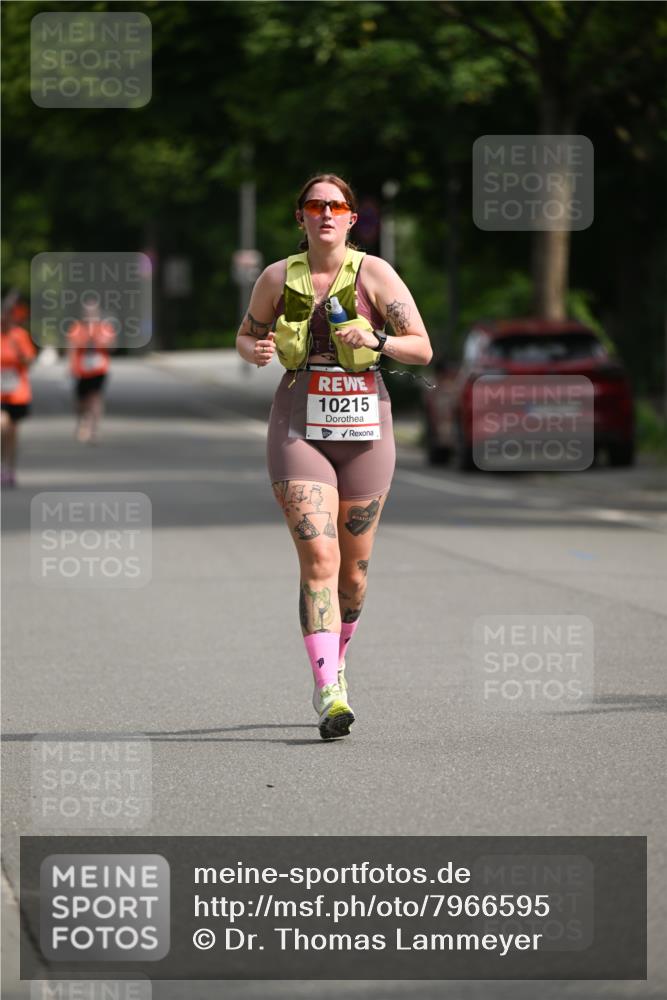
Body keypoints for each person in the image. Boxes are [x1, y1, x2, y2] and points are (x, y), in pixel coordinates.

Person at [236, 174, 432, 739]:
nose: (326, 213)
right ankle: (329, 690)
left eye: (337, 205)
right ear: (300, 216)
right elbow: (246, 335)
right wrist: (258, 349)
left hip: (366, 428)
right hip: (299, 427)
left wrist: (378, 341)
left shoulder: (376, 274)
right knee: (318, 560)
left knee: (354, 576)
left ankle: (336, 658)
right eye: (315, 205)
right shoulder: (277, 277)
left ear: (352, 218)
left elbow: (422, 348)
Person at [66, 298, 116, 443]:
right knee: (81, 402)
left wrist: (102, 341)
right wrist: (70, 366)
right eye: (87, 311)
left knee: (95, 398)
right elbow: (71, 348)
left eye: (92, 311)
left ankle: (94, 428)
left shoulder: (105, 328)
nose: (89, 314)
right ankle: (82, 421)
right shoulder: (77, 328)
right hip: (82, 370)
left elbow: (112, 347)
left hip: (99, 369)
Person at [1, 308, 37, 487]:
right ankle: (2, 465)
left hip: (17, 391)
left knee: (13, 431)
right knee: (2, 425)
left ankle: (9, 467)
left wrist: (20, 354)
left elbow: (30, 361)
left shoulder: (20, 336)